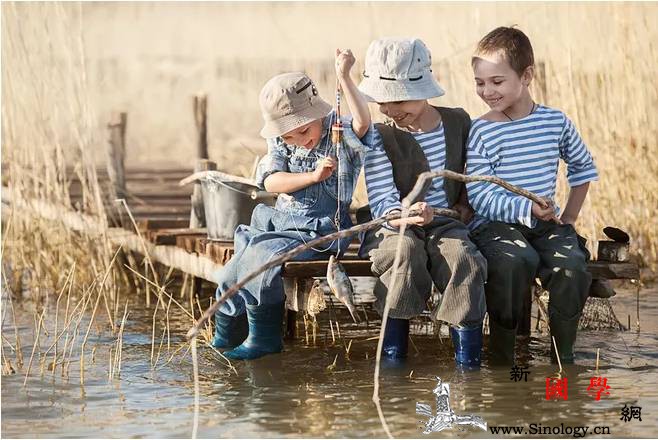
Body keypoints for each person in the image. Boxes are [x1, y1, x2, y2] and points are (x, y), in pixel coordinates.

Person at [211, 50, 370, 360]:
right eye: (291, 135)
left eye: (305, 130)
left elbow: (364, 122)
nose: (301, 140)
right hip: (280, 222)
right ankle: (226, 333)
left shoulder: (339, 134)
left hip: (322, 231)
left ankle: (265, 337)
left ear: (319, 115)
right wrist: (311, 176)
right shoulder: (282, 142)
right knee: (233, 267)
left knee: (261, 256)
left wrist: (344, 77)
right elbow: (270, 182)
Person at [466, 26, 598, 364]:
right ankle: (503, 357)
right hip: (494, 225)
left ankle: (562, 357)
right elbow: (480, 196)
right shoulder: (482, 130)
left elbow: (583, 167)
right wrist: (527, 209)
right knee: (515, 261)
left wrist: (568, 218)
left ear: (527, 75)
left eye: (497, 81)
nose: (487, 91)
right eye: (480, 83)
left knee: (572, 266)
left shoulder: (554, 122)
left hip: (545, 224)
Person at [357, 37, 487, 367]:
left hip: (446, 221)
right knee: (404, 253)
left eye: (399, 100)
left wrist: (462, 208)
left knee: (464, 259)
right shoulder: (379, 136)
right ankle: (393, 359)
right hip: (393, 224)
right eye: (383, 103)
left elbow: (471, 178)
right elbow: (383, 197)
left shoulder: (458, 122)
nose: (390, 110)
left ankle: (467, 363)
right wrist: (403, 216)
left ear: (424, 90)